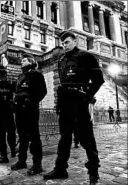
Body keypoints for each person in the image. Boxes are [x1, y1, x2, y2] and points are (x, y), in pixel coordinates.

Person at [43, 30, 105, 184]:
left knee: (86, 139)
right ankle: (60, 169)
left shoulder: (86, 57)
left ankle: (93, 172)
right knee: (64, 139)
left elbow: (98, 80)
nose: (64, 46)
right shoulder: (61, 59)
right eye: (62, 43)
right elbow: (63, 83)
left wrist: (88, 95)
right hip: (65, 104)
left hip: (79, 103)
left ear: (75, 41)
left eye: (67, 42)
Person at [11, 53, 47, 176]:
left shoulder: (35, 74)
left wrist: (31, 101)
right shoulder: (21, 75)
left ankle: (37, 165)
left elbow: (43, 91)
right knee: (22, 137)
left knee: (34, 137)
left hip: (30, 110)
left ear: (31, 62)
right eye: (22, 60)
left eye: (24, 60)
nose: (21, 62)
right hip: (19, 110)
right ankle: (22, 161)